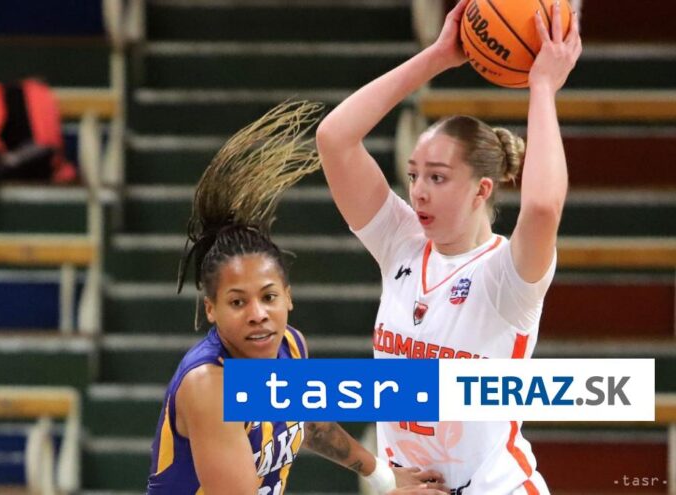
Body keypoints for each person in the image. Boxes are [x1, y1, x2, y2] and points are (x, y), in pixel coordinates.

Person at [315, 0, 582, 493]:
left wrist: (542, 88)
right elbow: (334, 138)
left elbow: (544, 206)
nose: (418, 191)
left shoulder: (506, 275)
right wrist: (438, 56)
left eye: (437, 178)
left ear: (482, 190)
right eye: (414, 175)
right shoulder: (400, 242)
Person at [145, 101, 447, 495]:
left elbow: (311, 425)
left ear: (288, 297)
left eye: (268, 296)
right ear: (210, 310)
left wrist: (384, 477)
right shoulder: (209, 387)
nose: (258, 314)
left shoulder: (290, 344)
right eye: (237, 302)